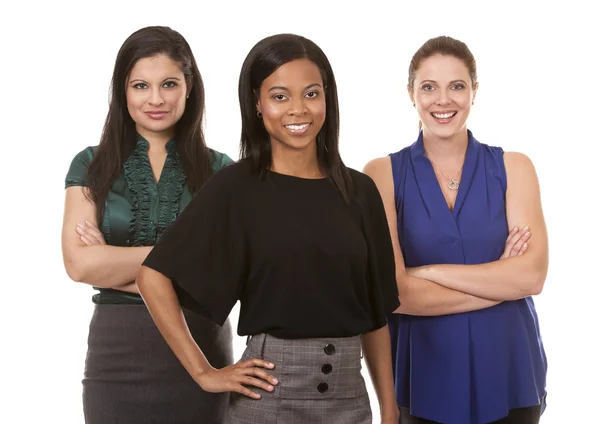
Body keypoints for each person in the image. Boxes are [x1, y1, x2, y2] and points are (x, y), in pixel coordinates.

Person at [136, 33, 401, 424]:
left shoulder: (360, 191)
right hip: (270, 397)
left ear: (328, 98)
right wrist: (204, 372)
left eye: (311, 94)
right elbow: (152, 275)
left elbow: (376, 316)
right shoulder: (236, 187)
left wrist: (390, 412)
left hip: (350, 399)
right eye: (280, 96)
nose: (298, 109)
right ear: (257, 105)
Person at [363, 36, 548, 424]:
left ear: (474, 92)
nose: (442, 100)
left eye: (457, 86)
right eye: (429, 87)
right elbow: (394, 294)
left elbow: (531, 275)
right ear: (411, 93)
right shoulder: (381, 175)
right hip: (422, 377)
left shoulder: (515, 167)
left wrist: (427, 272)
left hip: (510, 371)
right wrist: (499, 282)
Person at [61, 26, 235, 423]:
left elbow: (224, 276)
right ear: (123, 91)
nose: (155, 99)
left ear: (189, 87)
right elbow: (79, 265)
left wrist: (113, 262)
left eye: (169, 84)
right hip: (115, 357)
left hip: (201, 350)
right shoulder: (90, 163)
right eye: (141, 85)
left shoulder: (222, 171)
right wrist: (182, 260)